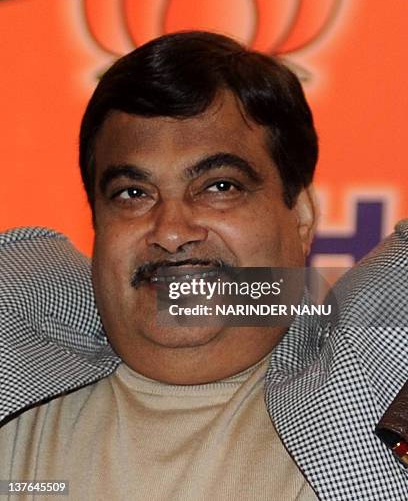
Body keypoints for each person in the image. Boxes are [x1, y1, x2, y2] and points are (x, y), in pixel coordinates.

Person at [0, 31, 407, 500]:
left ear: (301, 216)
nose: (171, 230)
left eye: (219, 187)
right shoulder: (18, 427)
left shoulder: (376, 389)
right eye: (133, 194)